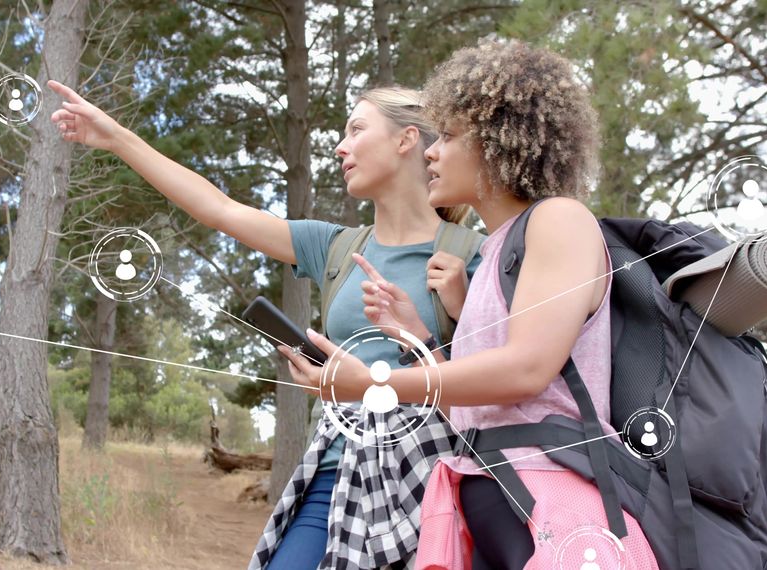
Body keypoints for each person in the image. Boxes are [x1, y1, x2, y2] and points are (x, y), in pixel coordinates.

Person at [46, 81, 484, 569]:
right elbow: (220, 210)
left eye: (356, 129)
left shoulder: (473, 255)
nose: (341, 146)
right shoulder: (334, 248)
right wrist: (117, 138)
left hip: (434, 482)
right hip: (337, 470)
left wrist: (458, 311)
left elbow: (495, 390)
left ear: (406, 140)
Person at [279, 40, 659, 569]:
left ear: (498, 140)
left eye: (450, 136)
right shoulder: (493, 252)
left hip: (554, 503)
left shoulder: (559, 219)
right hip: (488, 498)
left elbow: (527, 369)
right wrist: (419, 338)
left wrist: (372, 384)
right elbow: (469, 407)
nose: (432, 151)